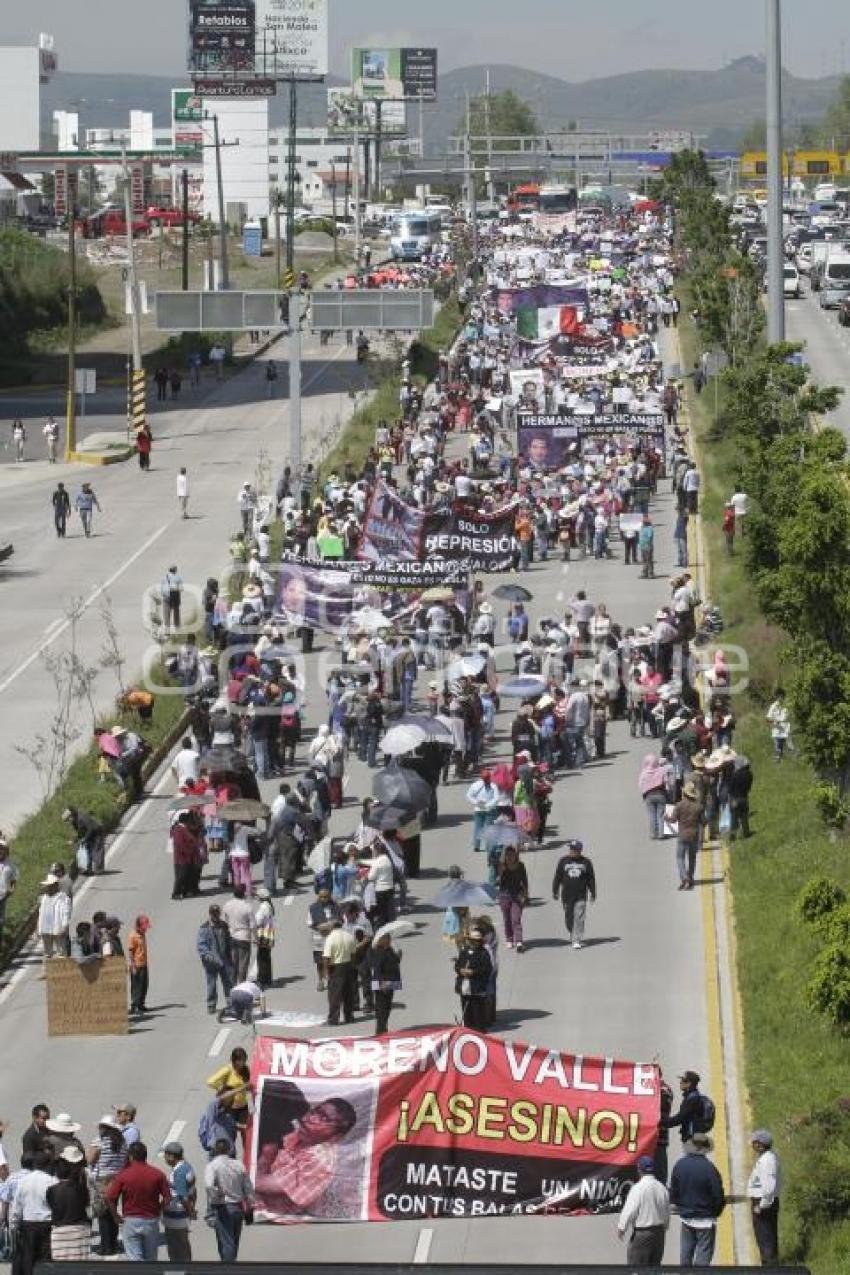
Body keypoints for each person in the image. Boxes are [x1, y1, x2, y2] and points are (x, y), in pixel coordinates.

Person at [255, 1099, 356, 1217]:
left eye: (324, 1119)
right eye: (314, 1112)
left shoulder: (320, 1160)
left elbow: (261, 1184)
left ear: (336, 1136)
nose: (309, 1119)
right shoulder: (301, 1137)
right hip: (261, 1198)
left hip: (278, 1215)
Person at [103, 1141, 170, 1262]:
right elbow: (167, 1198)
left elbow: (109, 1197)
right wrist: (159, 1209)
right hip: (151, 1221)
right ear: (145, 1155)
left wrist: (115, 1216)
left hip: (131, 1221)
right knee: (151, 1259)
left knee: (135, 1261)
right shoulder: (158, 1174)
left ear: (131, 1156)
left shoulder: (123, 1175)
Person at [668, 1131, 725, 1267]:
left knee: (686, 1253)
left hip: (686, 1218)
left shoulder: (680, 1165)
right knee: (704, 1255)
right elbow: (718, 1195)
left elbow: (674, 1192)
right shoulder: (710, 1169)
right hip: (706, 1219)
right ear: (705, 1149)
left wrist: (680, 1206)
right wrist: (716, 1211)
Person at [205, 1137, 255, 1262]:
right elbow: (248, 1188)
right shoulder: (239, 1165)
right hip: (238, 1208)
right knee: (233, 1240)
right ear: (229, 1149)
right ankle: (230, 1264)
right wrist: (250, 1208)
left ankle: (228, 1268)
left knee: (226, 1242)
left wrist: (217, 1196)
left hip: (222, 1208)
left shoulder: (212, 1166)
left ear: (216, 1150)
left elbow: (209, 1185)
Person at [616, 1153, 669, 1266]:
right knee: (655, 1268)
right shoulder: (661, 1187)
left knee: (637, 1267)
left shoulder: (638, 1188)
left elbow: (630, 1210)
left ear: (639, 1170)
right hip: (659, 1234)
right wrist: (665, 1226)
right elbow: (666, 1210)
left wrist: (622, 1227)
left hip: (642, 1234)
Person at [87, 1114, 128, 1258]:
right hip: (117, 1179)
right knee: (113, 1210)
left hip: (102, 1180)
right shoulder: (122, 1143)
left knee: (103, 1213)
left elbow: (90, 1159)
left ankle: (106, 1247)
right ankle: (113, 1243)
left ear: (105, 1128)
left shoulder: (100, 1142)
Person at [9, 1148, 55, 1275]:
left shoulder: (23, 1181)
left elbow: (17, 1207)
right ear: (47, 1165)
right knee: (46, 1262)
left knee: (27, 1262)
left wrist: (14, 1226)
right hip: (47, 1226)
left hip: (28, 1226)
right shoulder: (52, 1181)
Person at [46, 1146, 90, 1261]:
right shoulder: (82, 1187)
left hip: (59, 1233)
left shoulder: (52, 1190)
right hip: (80, 1232)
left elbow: (51, 1207)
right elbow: (86, 1205)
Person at [552, 839, 596, 949]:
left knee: (579, 917)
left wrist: (593, 893)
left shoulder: (586, 862)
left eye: (573, 849)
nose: (571, 851)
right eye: (570, 848)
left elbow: (591, 879)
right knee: (569, 917)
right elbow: (557, 877)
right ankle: (572, 931)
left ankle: (577, 939)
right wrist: (555, 890)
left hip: (581, 895)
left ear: (579, 850)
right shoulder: (563, 861)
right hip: (566, 895)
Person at [747, 1129, 781, 1265]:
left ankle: (769, 1268)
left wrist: (761, 1206)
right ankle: (769, 1265)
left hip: (763, 1203)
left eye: (754, 1142)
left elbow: (769, 1187)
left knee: (765, 1238)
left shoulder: (767, 1161)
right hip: (764, 1201)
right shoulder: (767, 1157)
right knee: (767, 1238)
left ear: (760, 1145)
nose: (752, 1145)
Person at [160, 1142, 197, 1263]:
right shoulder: (186, 1166)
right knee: (183, 1246)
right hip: (180, 1216)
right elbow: (193, 1192)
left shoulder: (179, 1172)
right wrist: (191, 1208)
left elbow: (183, 1197)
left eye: (165, 1155)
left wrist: (190, 1211)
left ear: (171, 1156)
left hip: (176, 1218)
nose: (164, 1158)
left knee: (177, 1249)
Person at [207, 1048, 252, 1145]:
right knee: (231, 1134)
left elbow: (248, 1089)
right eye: (239, 1060)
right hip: (230, 1108)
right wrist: (220, 1088)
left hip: (243, 1107)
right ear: (233, 1060)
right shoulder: (228, 1070)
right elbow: (210, 1081)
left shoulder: (246, 1070)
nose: (242, 1063)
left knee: (246, 1134)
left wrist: (251, 1104)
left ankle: (247, 1157)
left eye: (244, 1060)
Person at [454, 926, 492, 1030]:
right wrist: (460, 970)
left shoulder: (483, 953)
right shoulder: (464, 952)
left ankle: (479, 1030)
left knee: (478, 1010)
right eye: (471, 941)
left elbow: (487, 969)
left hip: (477, 987)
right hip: (464, 987)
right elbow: (457, 966)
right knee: (466, 1009)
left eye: (476, 941)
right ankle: (468, 1028)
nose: (473, 943)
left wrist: (473, 972)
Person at [197, 905, 233, 1014]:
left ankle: (231, 1003)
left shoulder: (223, 925)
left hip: (224, 959)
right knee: (211, 984)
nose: (216, 916)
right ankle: (211, 1005)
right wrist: (210, 958)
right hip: (211, 962)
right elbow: (201, 947)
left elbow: (229, 940)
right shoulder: (204, 928)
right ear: (210, 914)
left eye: (217, 913)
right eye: (214, 914)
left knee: (228, 983)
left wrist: (230, 956)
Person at [323, 918, 358, 1026]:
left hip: (336, 968)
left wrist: (326, 973)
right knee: (348, 993)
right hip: (348, 965)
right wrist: (352, 966)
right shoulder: (349, 936)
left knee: (334, 995)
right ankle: (349, 1016)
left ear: (333, 927)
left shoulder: (330, 938)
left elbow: (326, 957)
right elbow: (353, 954)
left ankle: (334, 1019)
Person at [497, 845, 528, 952]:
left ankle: (519, 941)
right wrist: (501, 871)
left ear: (516, 855)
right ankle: (509, 938)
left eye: (512, 855)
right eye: (507, 855)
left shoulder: (521, 866)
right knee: (507, 919)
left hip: (517, 895)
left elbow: (524, 880)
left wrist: (526, 894)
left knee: (516, 918)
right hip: (504, 895)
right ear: (505, 856)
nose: (510, 857)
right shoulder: (501, 866)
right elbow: (498, 882)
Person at [370, 929, 402, 1034]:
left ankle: (384, 1028)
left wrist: (399, 955)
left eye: (389, 938)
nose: (389, 940)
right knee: (381, 1009)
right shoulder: (379, 951)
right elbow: (377, 969)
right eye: (387, 938)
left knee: (387, 1007)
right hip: (382, 984)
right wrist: (381, 984)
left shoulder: (389, 950)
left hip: (390, 983)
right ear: (382, 940)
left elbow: (395, 961)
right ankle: (380, 1031)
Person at [222, 885, 255, 983]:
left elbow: (224, 921)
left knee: (233, 962)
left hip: (232, 936)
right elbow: (253, 925)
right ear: (243, 893)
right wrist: (256, 938)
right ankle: (241, 983)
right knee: (243, 963)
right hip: (244, 937)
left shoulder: (227, 905)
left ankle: (232, 984)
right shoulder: (247, 906)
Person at [61, 806, 105, 875]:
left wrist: (85, 839)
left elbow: (90, 829)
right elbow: (80, 833)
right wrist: (74, 841)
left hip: (96, 832)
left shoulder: (82, 817)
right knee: (88, 850)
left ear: (72, 815)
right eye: (67, 820)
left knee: (97, 850)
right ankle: (89, 869)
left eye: (68, 819)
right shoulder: (74, 822)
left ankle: (99, 869)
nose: (68, 821)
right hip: (89, 833)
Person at [37, 874, 71, 958]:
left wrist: (64, 927)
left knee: (61, 953)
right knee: (47, 953)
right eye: (47, 886)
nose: (46, 888)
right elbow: (40, 913)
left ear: (55, 886)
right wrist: (38, 927)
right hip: (45, 928)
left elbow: (65, 913)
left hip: (57, 928)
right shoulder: (44, 898)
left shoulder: (63, 898)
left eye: (48, 886)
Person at [127, 915, 151, 1016]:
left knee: (144, 985)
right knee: (136, 986)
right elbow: (131, 952)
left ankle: (141, 1004)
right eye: (144, 927)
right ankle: (134, 1005)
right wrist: (133, 966)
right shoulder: (133, 936)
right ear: (138, 926)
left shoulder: (142, 934)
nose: (146, 930)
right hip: (136, 965)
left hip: (143, 963)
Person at [0, 837, 19, 946]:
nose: (0, 851)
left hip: (3, 896)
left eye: (2, 849)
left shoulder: (10, 864)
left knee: (1, 921)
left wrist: (12, 890)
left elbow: (14, 878)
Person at [766, 689, 791, 761]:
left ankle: (784, 763)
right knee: (778, 749)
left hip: (786, 731)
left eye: (782, 696)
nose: (781, 698)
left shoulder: (787, 705)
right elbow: (767, 718)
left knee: (789, 749)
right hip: (777, 731)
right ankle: (778, 763)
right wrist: (775, 721)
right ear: (776, 696)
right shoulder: (773, 706)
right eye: (779, 696)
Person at [161, 565, 183, 632]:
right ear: (175, 570)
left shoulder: (164, 577)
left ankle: (167, 630)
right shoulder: (178, 578)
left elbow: (162, 589)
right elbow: (181, 588)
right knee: (176, 613)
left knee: (166, 614)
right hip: (175, 597)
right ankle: (177, 628)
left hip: (166, 597)